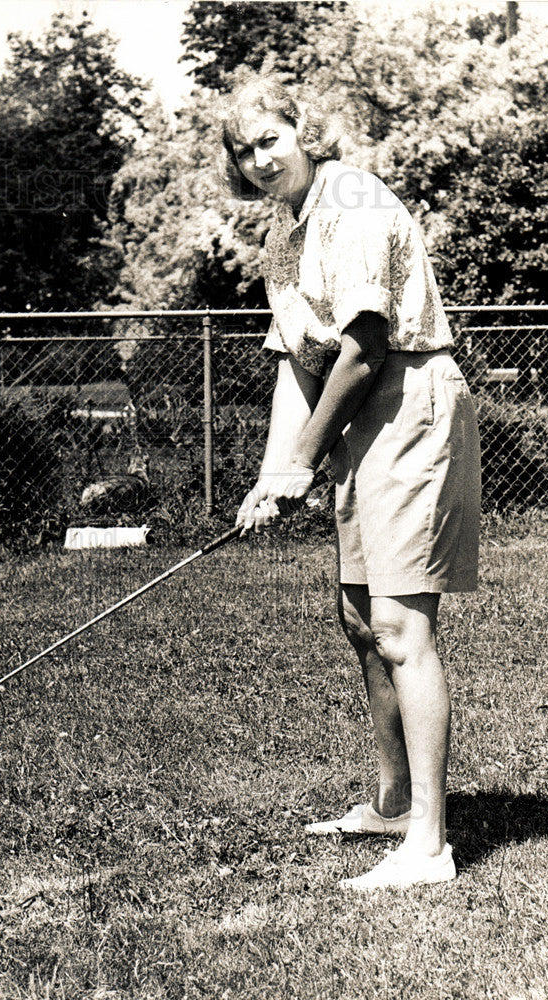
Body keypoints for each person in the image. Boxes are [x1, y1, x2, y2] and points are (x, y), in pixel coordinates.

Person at [222, 76, 481, 890]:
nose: (259, 159)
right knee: (358, 619)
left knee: (401, 625)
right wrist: (273, 473)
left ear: (301, 130)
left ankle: (430, 847)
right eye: (242, 150)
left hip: (406, 400)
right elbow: (296, 366)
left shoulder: (354, 199)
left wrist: (303, 459)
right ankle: (393, 802)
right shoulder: (283, 234)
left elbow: (365, 347)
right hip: (358, 415)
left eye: (268, 138)